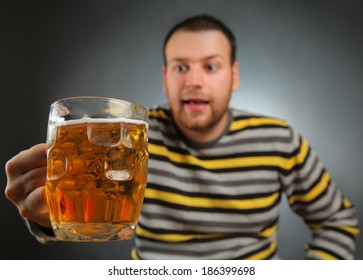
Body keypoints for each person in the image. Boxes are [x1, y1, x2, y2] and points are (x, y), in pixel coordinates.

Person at [5, 14, 359, 260]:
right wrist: (45, 217)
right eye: (180, 67)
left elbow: (337, 220)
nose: (194, 80)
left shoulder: (278, 140)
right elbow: (77, 204)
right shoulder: (128, 140)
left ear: (233, 75)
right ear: (165, 77)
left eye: (211, 66)